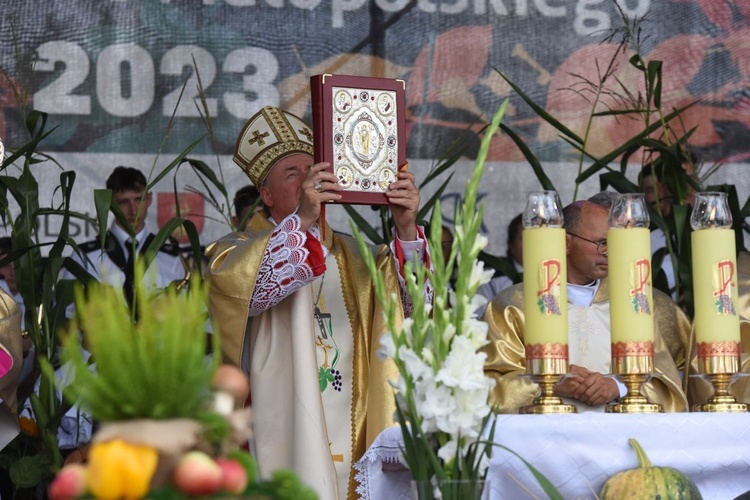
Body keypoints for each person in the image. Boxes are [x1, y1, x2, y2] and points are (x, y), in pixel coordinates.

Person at [205, 106, 430, 500]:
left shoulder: (361, 258)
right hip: (282, 432)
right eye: (294, 174)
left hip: (356, 428)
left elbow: (417, 313)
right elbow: (254, 294)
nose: (310, 179)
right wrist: (303, 220)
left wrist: (406, 226)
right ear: (266, 195)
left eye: (315, 170)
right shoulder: (233, 254)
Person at [482, 200, 690, 413]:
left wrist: (618, 386)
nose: (609, 252)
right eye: (601, 242)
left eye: (614, 243)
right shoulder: (514, 306)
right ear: (566, 243)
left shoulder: (636, 302)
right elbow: (488, 386)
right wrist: (550, 384)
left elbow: (668, 382)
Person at [68, 166, 186, 308]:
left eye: (139, 200)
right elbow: (67, 316)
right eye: (123, 202)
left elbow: (186, 312)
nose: (133, 210)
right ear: (109, 203)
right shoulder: (85, 257)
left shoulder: (172, 258)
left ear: (149, 199)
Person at [476, 213, 523, 315]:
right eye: (525, 237)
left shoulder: (555, 275)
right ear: (511, 245)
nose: (532, 243)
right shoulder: (492, 277)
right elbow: (482, 317)